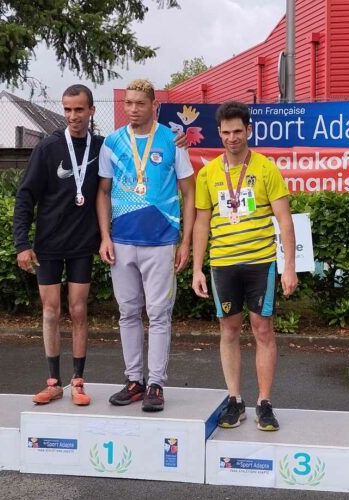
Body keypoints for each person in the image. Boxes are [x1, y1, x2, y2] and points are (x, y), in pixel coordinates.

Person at [192, 101, 298, 431]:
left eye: (238, 131)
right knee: (229, 329)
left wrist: (289, 266)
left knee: (262, 329)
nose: (232, 138)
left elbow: (284, 220)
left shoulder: (266, 169)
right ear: (219, 133)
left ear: (248, 130)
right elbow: (201, 223)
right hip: (223, 263)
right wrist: (197, 268)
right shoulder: (208, 173)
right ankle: (234, 400)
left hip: (260, 262)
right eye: (226, 132)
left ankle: (264, 403)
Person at [97, 79, 194, 412]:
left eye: (140, 103)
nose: (133, 109)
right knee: (127, 313)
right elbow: (103, 192)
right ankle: (134, 381)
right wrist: (105, 236)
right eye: (128, 103)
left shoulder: (172, 140)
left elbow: (190, 192)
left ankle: (155, 384)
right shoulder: (111, 142)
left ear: (155, 106)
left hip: (161, 241)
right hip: (122, 241)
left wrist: (185, 241)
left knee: (158, 314)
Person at [13, 84, 104, 406]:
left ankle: (78, 381)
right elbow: (26, 195)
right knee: (51, 311)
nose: (72, 115)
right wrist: (22, 244)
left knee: (78, 309)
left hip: (83, 242)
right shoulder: (48, 148)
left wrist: (178, 144)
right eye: (67, 109)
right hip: (48, 243)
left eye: (79, 109)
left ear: (91, 110)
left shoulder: (101, 147)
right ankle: (53, 382)